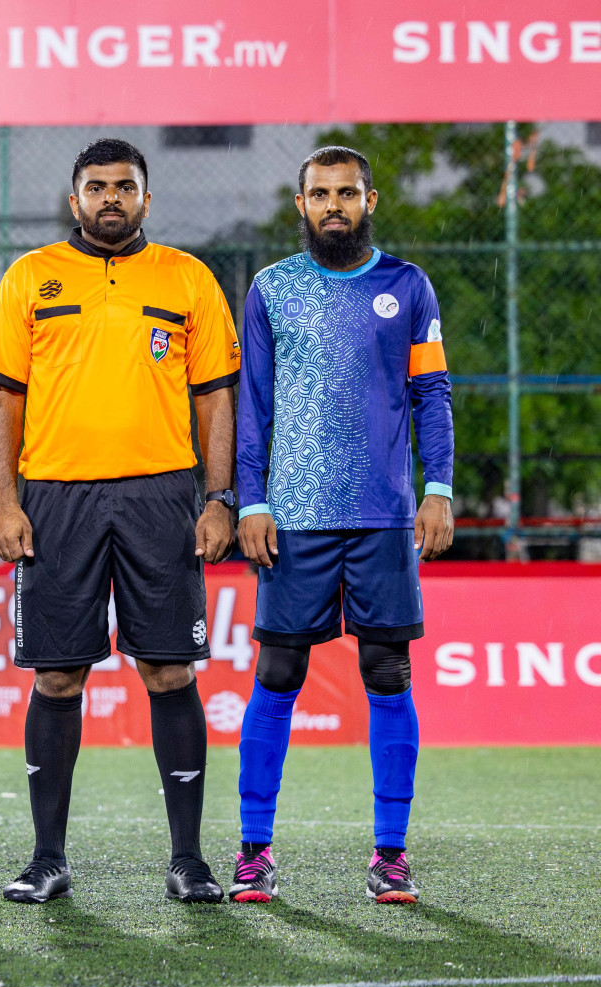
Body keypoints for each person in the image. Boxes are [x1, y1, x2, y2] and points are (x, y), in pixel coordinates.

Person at [0, 138, 240, 905]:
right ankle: (47, 857)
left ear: (146, 200)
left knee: (169, 669)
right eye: (95, 186)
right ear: (74, 200)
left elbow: (215, 398)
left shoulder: (188, 277)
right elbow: (3, 401)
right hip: (56, 497)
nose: (109, 198)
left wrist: (219, 497)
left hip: (161, 496)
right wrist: (3, 501)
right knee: (58, 675)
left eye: (124, 187)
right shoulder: (30, 277)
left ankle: (189, 860)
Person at [229, 146, 454, 905]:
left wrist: (439, 486)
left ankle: (390, 854)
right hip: (292, 520)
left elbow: (433, 394)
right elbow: (252, 407)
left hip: (384, 517)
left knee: (387, 673)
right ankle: (254, 851)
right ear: (300, 205)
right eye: (320, 194)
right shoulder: (271, 289)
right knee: (278, 674)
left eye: (347, 193)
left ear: (370, 200)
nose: (334, 205)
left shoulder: (407, 287)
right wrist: (250, 501)